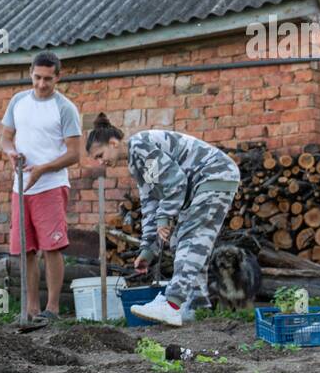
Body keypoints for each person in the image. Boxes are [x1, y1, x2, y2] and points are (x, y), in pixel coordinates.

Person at [83, 114, 241, 327]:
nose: (101, 162)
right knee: (179, 241)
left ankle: (172, 305)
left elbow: (175, 182)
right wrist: (148, 249)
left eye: (100, 155)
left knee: (190, 239)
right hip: (201, 185)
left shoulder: (140, 145)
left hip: (213, 176)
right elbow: (150, 203)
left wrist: (164, 218)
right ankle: (196, 305)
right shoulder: (136, 163)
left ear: (113, 143)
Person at [0, 52, 84, 321]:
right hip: (21, 186)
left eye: (48, 79)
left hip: (50, 185)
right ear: (30, 73)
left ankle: (53, 309)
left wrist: (43, 169)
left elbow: (74, 154)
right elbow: (5, 138)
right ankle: (31, 309)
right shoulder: (18, 101)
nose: (41, 84)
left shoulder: (65, 108)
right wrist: (11, 152)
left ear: (58, 77)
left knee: (52, 248)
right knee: (26, 249)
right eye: (37, 77)